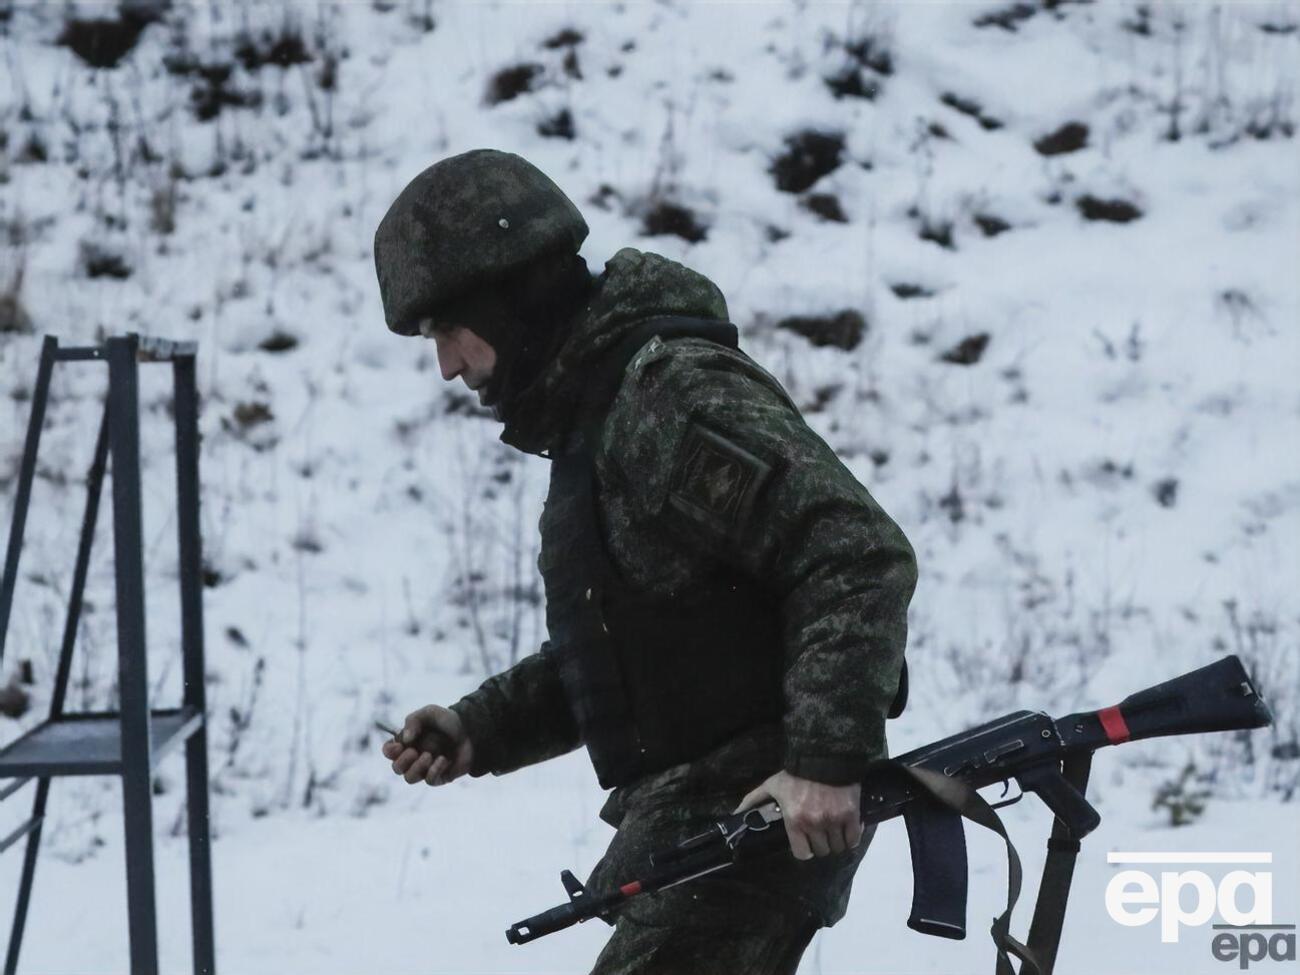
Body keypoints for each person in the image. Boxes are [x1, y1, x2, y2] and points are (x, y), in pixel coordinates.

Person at [374, 148, 918, 974]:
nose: (447, 365)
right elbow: (647, 646)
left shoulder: (664, 393)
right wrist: (480, 726)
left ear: (505, 300)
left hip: (757, 813)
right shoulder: (599, 415)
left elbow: (852, 551)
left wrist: (825, 763)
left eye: (447, 330)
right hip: (707, 825)